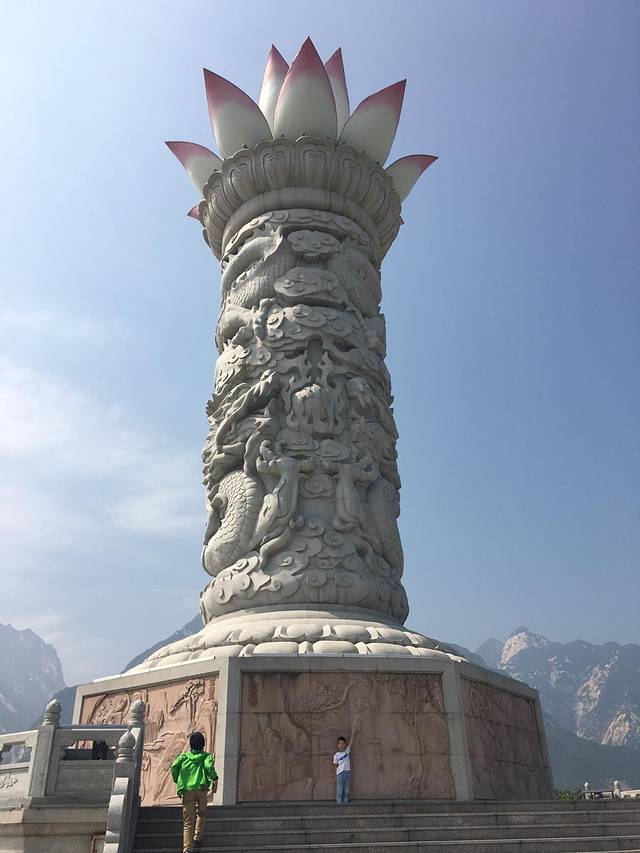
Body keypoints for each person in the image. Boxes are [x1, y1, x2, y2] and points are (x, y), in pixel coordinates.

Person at [171, 731, 218, 853]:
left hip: (187, 790)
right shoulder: (206, 756)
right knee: (201, 813)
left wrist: (177, 779)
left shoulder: (184, 757)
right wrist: (214, 777)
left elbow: (174, 766)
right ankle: (197, 836)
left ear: (190, 745)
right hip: (202, 789)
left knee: (188, 821)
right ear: (203, 745)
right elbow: (209, 767)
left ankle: (187, 848)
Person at [333, 728, 355, 804]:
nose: (341, 745)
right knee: (339, 791)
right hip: (339, 774)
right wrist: (335, 777)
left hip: (347, 773)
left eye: (343, 743)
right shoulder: (336, 755)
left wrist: (353, 733)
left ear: (345, 745)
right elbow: (335, 766)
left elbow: (351, 742)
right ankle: (339, 805)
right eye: (340, 743)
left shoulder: (347, 751)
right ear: (337, 745)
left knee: (346, 791)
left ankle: (345, 805)